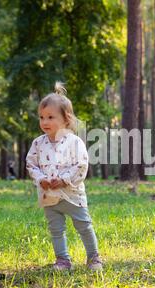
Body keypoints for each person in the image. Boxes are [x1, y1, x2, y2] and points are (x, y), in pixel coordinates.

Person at [25, 82, 102, 271]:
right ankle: (63, 260)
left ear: (66, 119)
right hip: (49, 195)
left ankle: (94, 258)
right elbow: (31, 163)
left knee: (84, 225)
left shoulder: (74, 142)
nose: (45, 122)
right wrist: (40, 178)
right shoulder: (38, 143)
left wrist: (64, 179)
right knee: (56, 229)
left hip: (71, 195)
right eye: (42, 117)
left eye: (50, 117)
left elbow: (81, 165)